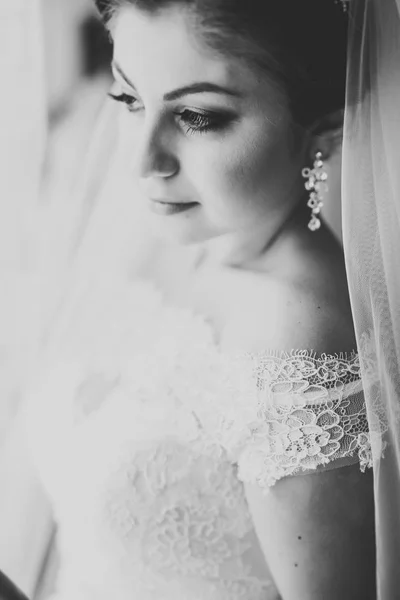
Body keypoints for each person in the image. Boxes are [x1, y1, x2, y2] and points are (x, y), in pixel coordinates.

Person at [6, 0, 400, 599]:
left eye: (196, 117)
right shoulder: (174, 235)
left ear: (321, 126)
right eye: (128, 98)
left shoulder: (296, 338)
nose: (142, 161)